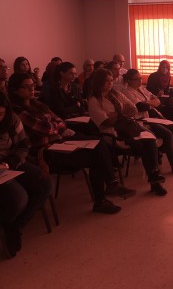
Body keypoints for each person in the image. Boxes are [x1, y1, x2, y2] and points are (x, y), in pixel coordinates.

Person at [8, 72, 133, 214]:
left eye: (32, 85)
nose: (32, 89)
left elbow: (60, 121)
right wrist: (56, 127)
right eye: (26, 87)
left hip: (61, 142)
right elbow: (44, 127)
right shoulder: (16, 111)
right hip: (45, 152)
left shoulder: (38, 104)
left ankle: (108, 190)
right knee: (96, 157)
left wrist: (55, 127)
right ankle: (104, 196)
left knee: (98, 143)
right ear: (15, 90)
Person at [87, 69, 167, 196]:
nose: (109, 84)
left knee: (150, 138)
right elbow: (105, 122)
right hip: (113, 133)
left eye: (111, 81)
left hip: (128, 126)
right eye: (106, 81)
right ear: (98, 82)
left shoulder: (116, 94)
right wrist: (120, 114)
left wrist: (116, 115)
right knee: (144, 144)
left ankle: (154, 178)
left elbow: (133, 108)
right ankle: (153, 178)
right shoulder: (94, 101)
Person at [0, 92, 52, 258]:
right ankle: (7, 228)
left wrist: (10, 162)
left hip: (11, 162)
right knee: (18, 197)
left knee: (44, 183)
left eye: (0, 114)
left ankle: (16, 228)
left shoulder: (12, 120)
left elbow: (23, 145)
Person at [121, 69, 173, 175]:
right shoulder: (127, 93)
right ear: (129, 81)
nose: (140, 81)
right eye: (137, 79)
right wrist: (149, 103)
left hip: (152, 116)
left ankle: (159, 151)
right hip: (142, 121)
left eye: (140, 78)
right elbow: (141, 106)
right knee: (167, 133)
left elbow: (157, 100)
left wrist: (148, 103)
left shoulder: (142, 89)